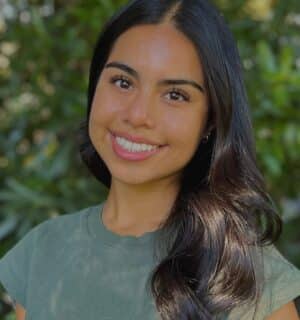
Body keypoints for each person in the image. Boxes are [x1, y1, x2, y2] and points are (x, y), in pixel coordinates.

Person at [0, 0, 300, 319]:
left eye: (175, 95)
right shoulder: (44, 252)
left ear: (211, 121)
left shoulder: (247, 278)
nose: (138, 115)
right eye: (123, 82)